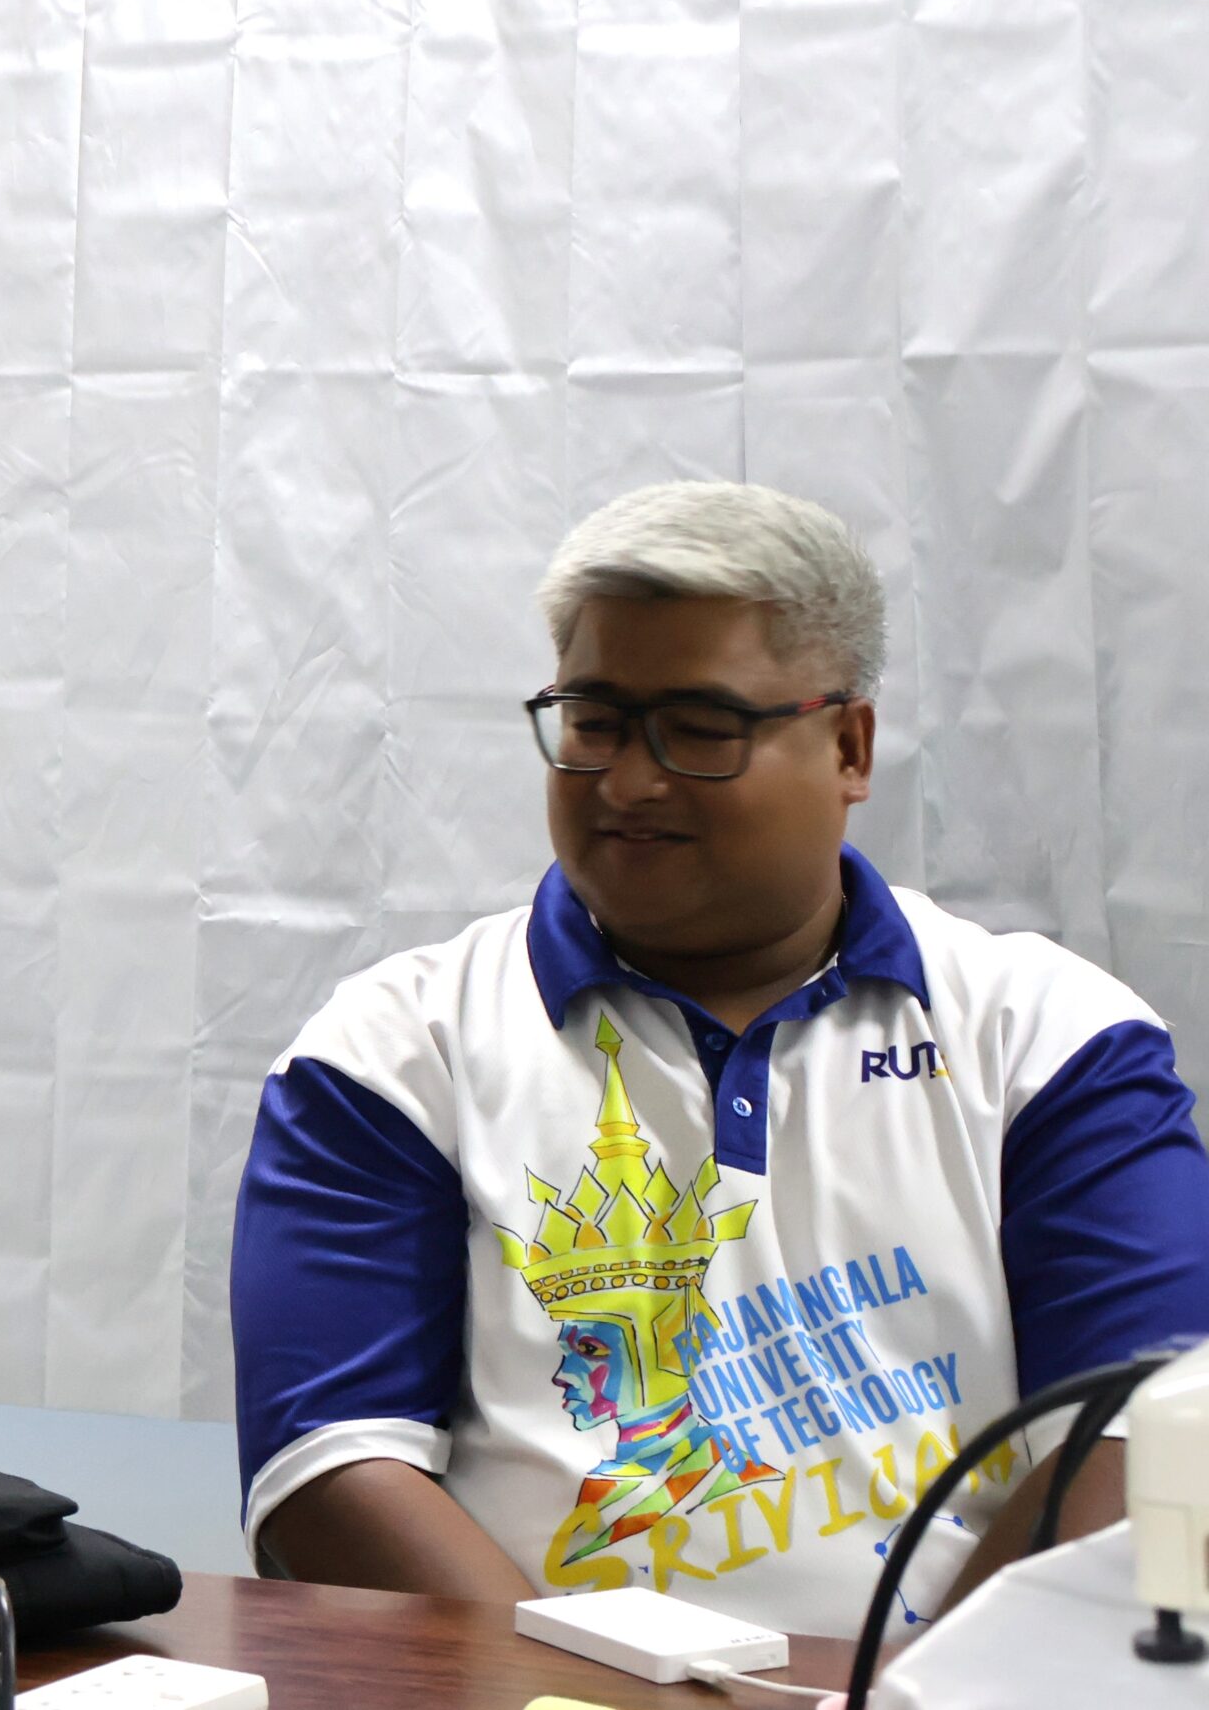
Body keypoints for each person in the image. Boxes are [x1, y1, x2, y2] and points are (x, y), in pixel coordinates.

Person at [229, 482, 1209, 1636]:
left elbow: (1146, 1439)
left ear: (848, 746)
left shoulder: (1048, 1036)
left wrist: (905, 1699)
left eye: (699, 728)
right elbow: (330, 1470)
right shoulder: (395, 1051)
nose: (629, 781)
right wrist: (573, 1699)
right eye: (593, 720)